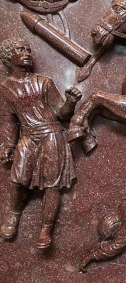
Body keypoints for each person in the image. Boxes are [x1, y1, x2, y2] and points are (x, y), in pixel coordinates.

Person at [0, 37, 81, 249]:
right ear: (10, 57)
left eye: (28, 49)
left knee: (51, 185)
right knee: (18, 180)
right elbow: (9, 121)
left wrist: (70, 102)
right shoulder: (5, 88)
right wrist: (8, 146)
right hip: (28, 137)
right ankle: (14, 214)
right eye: (20, 49)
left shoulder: (43, 82)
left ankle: (46, 229)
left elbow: (60, 113)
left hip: (52, 134)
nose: (27, 53)